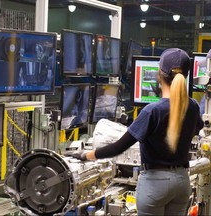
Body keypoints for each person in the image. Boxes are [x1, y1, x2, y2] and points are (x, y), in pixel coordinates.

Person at [68, 48, 204, 216]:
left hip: (155, 184)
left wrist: (85, 155)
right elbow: (197, 129)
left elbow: (117, 148)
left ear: (159, 75)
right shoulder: (192, 107)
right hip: (182, 182)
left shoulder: (151, 111)